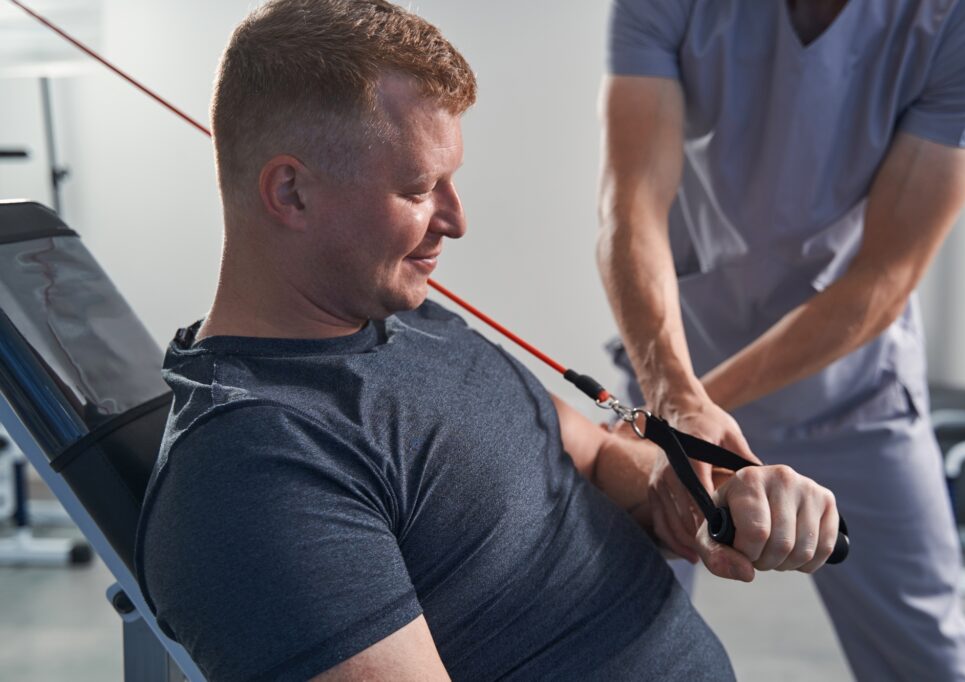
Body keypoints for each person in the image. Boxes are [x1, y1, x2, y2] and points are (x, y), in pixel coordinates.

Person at [133, 1, 843, 680]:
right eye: (420, 189)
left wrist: (689, 495)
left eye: (452, 181)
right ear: (290, 192)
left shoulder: (407, 321)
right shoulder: (255, 466)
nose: (456, 220)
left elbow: (595, 456)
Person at [598, 1, 965, 680]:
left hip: (851, 395)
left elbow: (885, 278)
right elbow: (631, 206)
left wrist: (685, 413)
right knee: (607, 642)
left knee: (928, 662)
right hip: (677, 365)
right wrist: (674, 399)